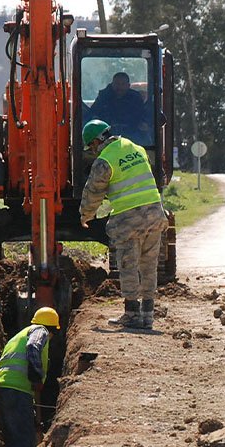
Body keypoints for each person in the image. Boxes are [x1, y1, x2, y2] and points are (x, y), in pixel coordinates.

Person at [78, 118, 168, 329]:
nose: (92, 150)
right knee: (149, 265)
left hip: (129, 219)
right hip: (155, 213)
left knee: (128, 265)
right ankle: (147, 314)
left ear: (96, 141)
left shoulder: (104, 160)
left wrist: (86, 215)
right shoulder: (136, 148)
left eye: (91, 146)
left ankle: (131, 313)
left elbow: (94, 192)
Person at [0, 306, 59, 447]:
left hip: (1, 387)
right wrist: (36, 375)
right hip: (17, 389)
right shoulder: (40, 331)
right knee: (24, 439)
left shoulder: (17, 335)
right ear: (51, 327)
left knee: (13, 438)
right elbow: (33, 348)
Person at [88, 72, 148, 141]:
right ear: (112, 84)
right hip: (107, 131)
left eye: (123, 84)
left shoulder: (136, 98)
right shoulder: (103, 97)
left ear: (128, 85)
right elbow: (93, 113)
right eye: (117, 84)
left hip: (131, 132)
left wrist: (144, 123)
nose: (119, 87)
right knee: (94, 144)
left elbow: (143, 114)